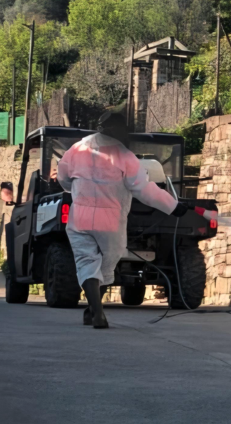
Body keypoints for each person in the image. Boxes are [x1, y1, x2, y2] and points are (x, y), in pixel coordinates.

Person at [57, 107, 187, 329]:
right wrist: (173, 206)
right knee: (108, 263)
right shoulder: (126, 156)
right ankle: (96, 311)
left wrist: (80, 190)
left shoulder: (76, 149)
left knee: (86, 262)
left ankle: (94, 311)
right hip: (111, 220)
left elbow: (64, 179)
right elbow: (143, 189)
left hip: (80, 217)